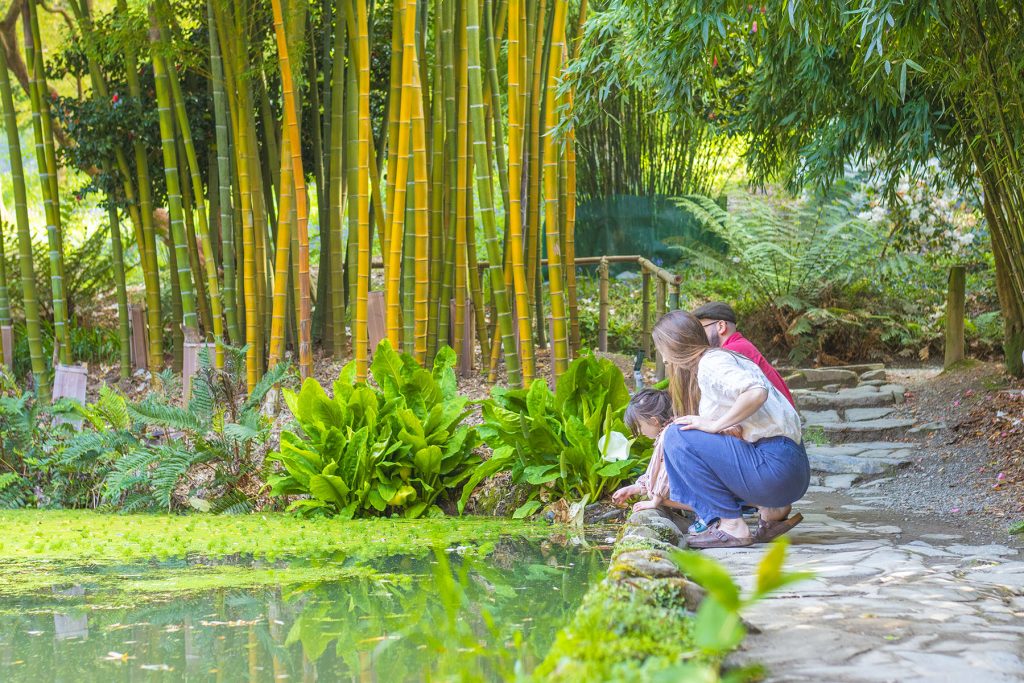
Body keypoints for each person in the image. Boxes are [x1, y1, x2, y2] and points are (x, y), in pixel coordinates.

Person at [653, 309, 809, 549]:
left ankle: (732, 526)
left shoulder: (712, 363)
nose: (664, 360)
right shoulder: (725, 359)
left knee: (676, 435)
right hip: (793, 472)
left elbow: (756, 392)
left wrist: (714, 424)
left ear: (674, 345)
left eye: (662, 350)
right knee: (689, 432)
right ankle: (771, 512)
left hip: (776, 466)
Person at [691, 301, 795, 407]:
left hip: (777, 420)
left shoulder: (729, 352)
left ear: (721, 326)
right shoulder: (740, 346)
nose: (698, 336)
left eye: (700, 330)